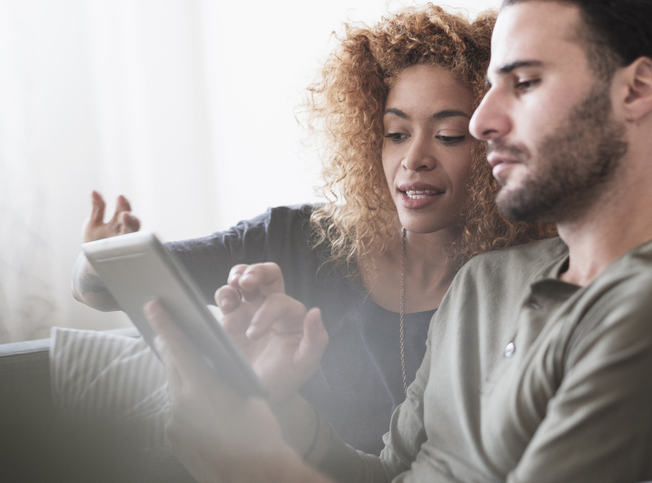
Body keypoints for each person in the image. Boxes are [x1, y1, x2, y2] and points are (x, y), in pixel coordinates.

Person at [144, 0, 652, 481]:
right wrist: (281, 414)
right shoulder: (482, 284)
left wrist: (246, 461)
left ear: (638, 89)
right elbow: (396, 475)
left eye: (524, 82)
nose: (480, 122)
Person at [70, 5, 553, 455]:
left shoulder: (526, 282)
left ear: (497, 141)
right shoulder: (295, 239)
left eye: (449, 135)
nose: (414, 158)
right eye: (396, 133)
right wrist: (100, 258)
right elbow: (100, 288)